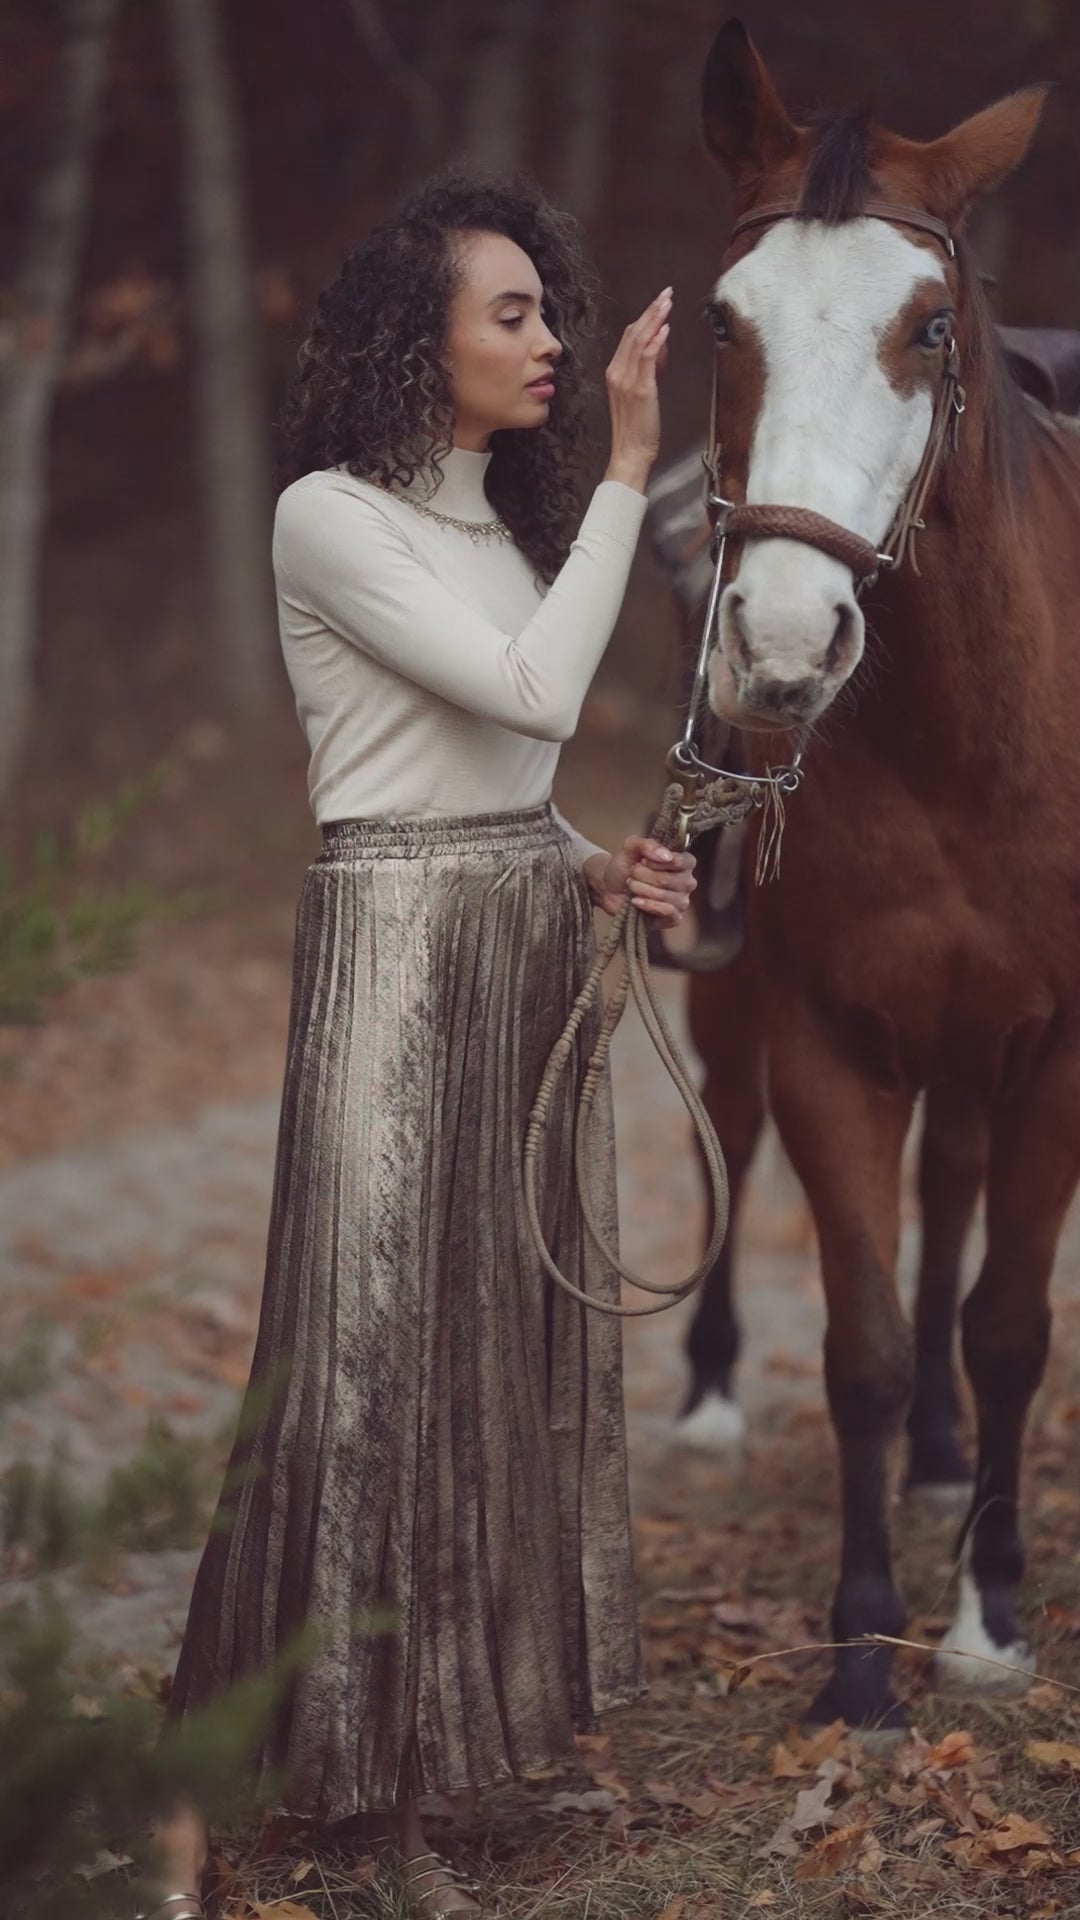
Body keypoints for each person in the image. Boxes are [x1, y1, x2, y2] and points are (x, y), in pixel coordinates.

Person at [142, 171, 694, 1920]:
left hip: (519, 937)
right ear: (419, 338)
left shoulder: (492, 528)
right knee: (370, 1359)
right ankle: (348, 1806)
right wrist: (626, 474)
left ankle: (451, 1757)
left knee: (488, 1355)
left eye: (551, 311)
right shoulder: (329, 515)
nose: (549, 341)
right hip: (390, 958)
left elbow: (505, 772)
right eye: (510, 314)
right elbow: (529, 696)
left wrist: (593, 862)